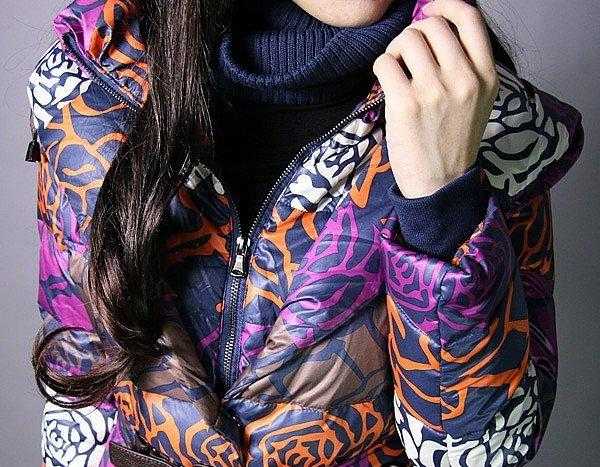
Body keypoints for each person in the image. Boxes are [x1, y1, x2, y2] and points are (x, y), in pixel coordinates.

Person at [26, 0, 585, 465]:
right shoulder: (94, 84)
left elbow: (482, 453)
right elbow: (78, 394)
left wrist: (440, 202)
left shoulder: (478, 112)